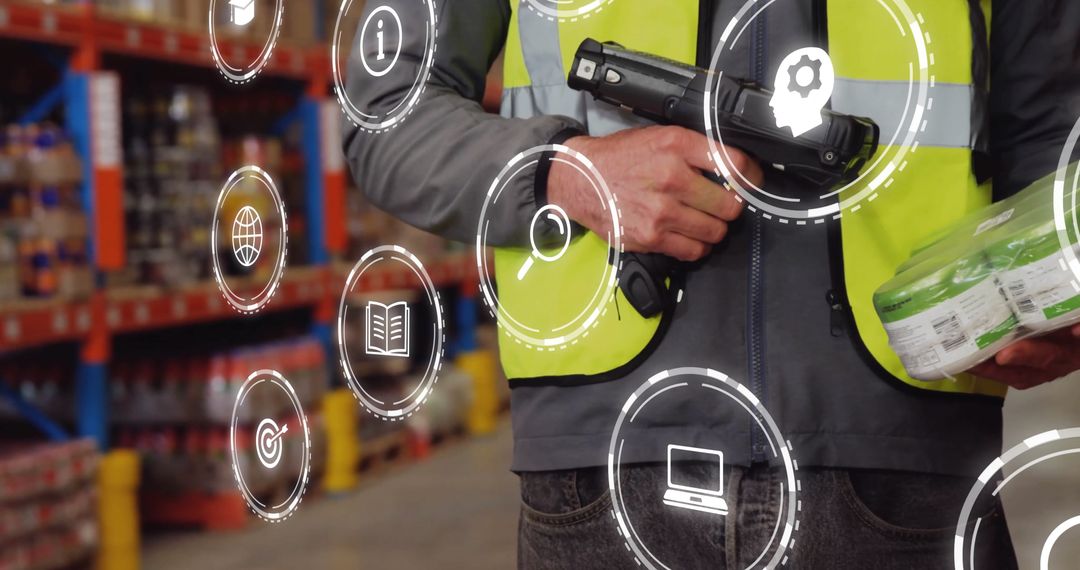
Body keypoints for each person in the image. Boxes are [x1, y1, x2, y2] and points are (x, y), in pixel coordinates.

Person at [343, 1, 1080, 567]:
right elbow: (384, 113)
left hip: (910, 461)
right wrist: (568, 171)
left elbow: (1051, 129)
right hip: (603, 474)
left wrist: (1057, 285)